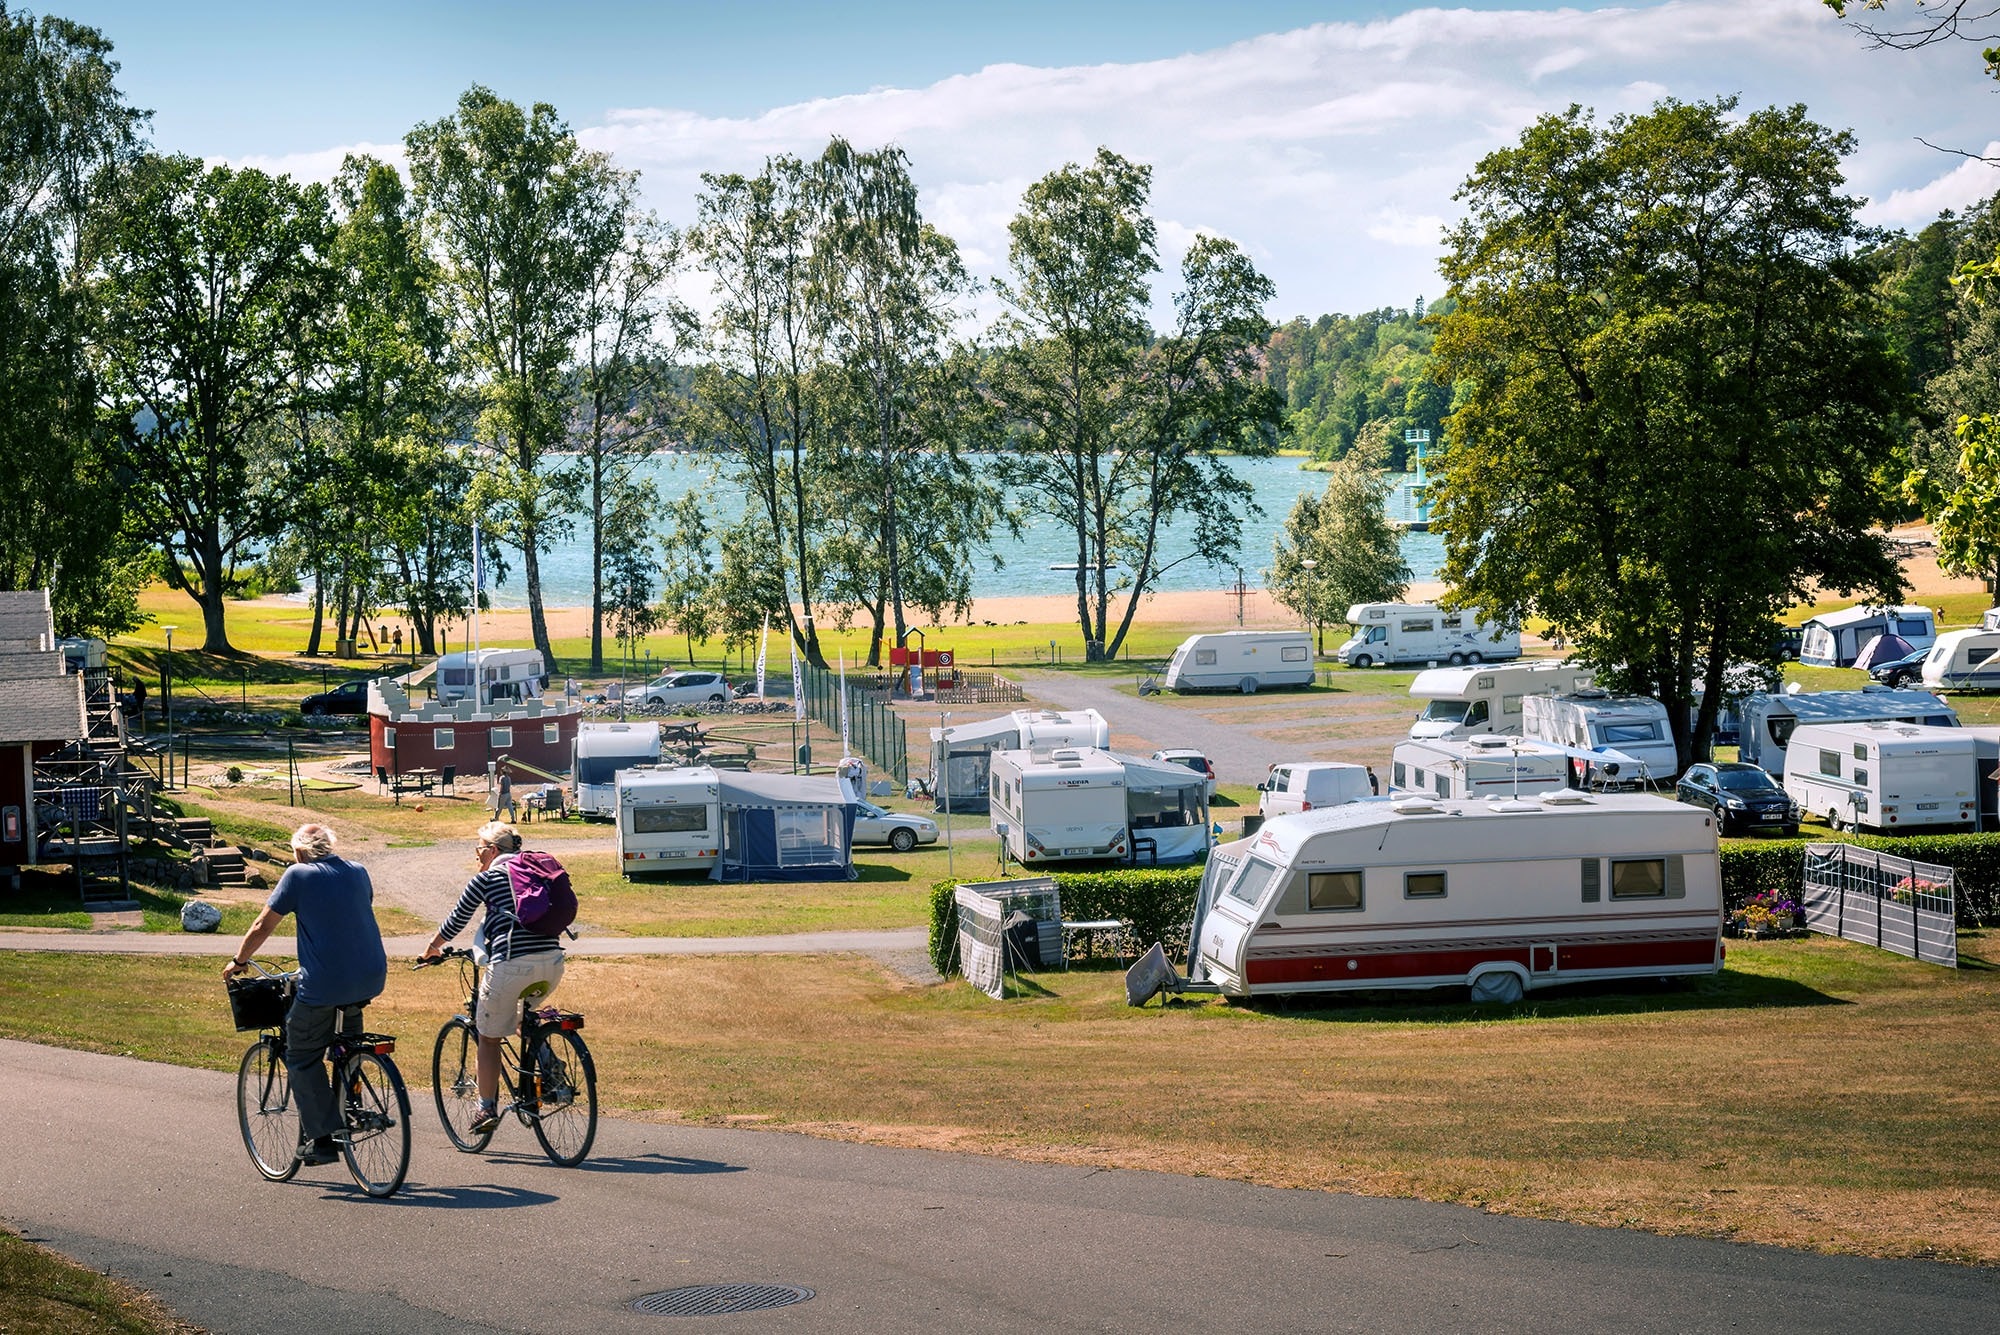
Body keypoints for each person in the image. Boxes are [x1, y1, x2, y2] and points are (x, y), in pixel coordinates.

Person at [223, 824, 387, 1166]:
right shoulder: (358, 871)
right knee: (347, 1044)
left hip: (326, 983)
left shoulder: (298, 875)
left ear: (299, 851)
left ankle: (323, 1138)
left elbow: (262, 925)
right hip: (370, 978)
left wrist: (240, 961)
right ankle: (350, 1098)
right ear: (331, 846)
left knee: (301, 1054)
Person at [421, 822, 565, 1134]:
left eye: (478, 850)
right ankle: (549, 1064)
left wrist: (432, 948)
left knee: (488, 1036)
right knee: (521, 1015)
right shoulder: (538, 869)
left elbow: (457, 919)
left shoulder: (487, 878)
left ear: (492, 851)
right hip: (553, 962)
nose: (477, 857)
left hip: (512, 964)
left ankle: (485, 1108)